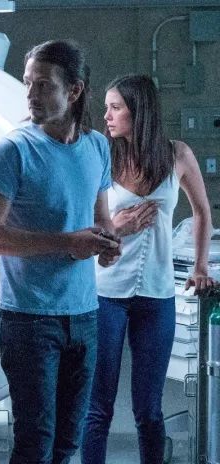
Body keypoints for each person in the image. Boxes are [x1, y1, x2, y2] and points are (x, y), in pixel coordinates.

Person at [0, 39, 121, 463]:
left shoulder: (97, 147)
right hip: (30, 319)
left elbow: (101, 218)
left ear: (74, 91)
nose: (31, 95)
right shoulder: (12, 151)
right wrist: (68, 244)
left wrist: (109, 244)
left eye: (43, 85)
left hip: (84, 315)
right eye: (28, 84)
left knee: (68, 443)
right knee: (36, 445)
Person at [81, 74, 216, 464]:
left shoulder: (178, 155)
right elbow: (78, 221)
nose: (106, 116)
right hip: (105, 294)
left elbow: (202, 212)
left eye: (115, 108)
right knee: (98, 407)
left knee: (149, 410)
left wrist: (201, 266)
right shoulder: (101, 154)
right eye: (106, 108)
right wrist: (115, 226)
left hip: (157, 296)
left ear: (138, 112)